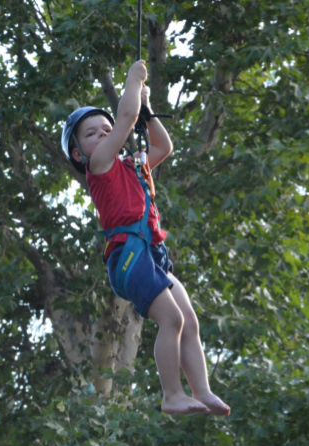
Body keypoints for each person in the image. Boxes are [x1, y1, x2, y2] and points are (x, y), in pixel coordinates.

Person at [61, 60, 230, 416]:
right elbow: (125, 119)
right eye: (92, 134)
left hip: (150, 253)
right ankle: (172, 394)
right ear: (79, 154)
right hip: (127, 256)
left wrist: (148, 113)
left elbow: (163, 147)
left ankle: (201, 389)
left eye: (105, 130)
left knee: (188, 319)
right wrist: (133, 82)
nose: (104, 135)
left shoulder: (131, 167)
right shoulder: (100, 167)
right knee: (171, 319)